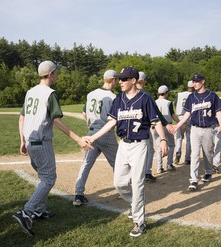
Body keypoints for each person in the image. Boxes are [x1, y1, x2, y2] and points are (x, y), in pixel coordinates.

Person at [87, 67, 168, 237]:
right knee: (119, 183)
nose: (121, 82)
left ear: (133, 80)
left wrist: (162, 139)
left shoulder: (145, 99)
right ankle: (135, 203)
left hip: (140, 145)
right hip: (123, 145)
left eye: (124, 79)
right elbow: (111, 123)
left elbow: (156, 121)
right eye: (120, 79)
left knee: (137, 183)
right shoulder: (118, 99)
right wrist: (93, 138)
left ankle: (139, 221)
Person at [14, 60, 93, 236]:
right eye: (56, 72)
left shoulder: (30, 92)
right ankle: (26, 211)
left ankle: (39, 210)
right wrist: (78, 139)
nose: (57, 75)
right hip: (41, 141)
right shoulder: (50, 93)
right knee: (49, 178)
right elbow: (56, 120)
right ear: (50, 74)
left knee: (43, 177)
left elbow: (22, 118)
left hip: (29, 140)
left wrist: (22, 141)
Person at [73, 70, 119, 206]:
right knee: (118, 163)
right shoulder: (113, 97)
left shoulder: (91, 94)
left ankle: (78, 194)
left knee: (86, 163)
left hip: (91, 132)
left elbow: (84, 113)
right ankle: (123, 191)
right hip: (106, 132)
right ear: (114, 80)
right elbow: (115, 119)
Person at [172, 73, 221, 191]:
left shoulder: (212, 95)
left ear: (203, 81)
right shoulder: (191, 97)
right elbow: (187, 114)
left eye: (197, 81)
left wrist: (220, 125)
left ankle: (209, 171)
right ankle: (193, 180)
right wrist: (177, 125)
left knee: (208, 152)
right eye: (193, 82)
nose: (194, 84)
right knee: (194, 154)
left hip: (209, 128)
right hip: (194, 128)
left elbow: (218, 111)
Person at [154, 85, 179, 173]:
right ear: (165, 93)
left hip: (157, 126)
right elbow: (173, 115)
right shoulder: (168, 102)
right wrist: (179, 122)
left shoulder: (154, 102)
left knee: (158, 147)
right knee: (171, 145)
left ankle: (159, 167)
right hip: (168, 125)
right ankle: (169, 164)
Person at [174, 80, 194, 165]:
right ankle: (187, 158)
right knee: (189, 139)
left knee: (179, 138)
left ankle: (178, 152)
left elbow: (175, 104)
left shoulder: (180, 94)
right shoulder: (194, 95)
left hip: (180, 116)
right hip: (190, 117)